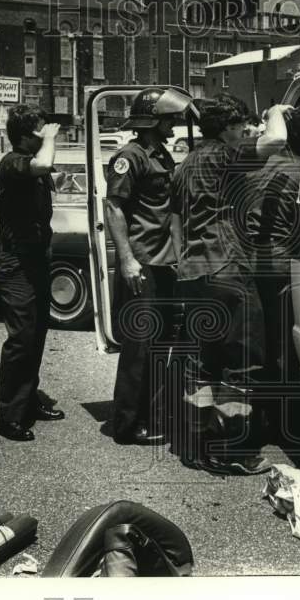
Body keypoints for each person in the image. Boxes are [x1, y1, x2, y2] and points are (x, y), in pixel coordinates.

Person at [169, 94, 292, 474]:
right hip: (229, 270)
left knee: (205, 363)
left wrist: (183, 263)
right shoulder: (224, 155)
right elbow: (276, 141)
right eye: (241, 125)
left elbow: (173, 220)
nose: (245, 131)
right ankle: (233, 451)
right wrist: (275, 114)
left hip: (196, 273)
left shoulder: (186, 162)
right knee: (242, 363)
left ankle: (196, 444)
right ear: (226, 128)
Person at [105, 87, 197, 445]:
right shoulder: (130, 157)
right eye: (169, 118)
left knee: (158, 345)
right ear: (151, 120)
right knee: (138, 348)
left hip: (163, 261)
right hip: (142, 262)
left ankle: (149, 414)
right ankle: (127, 426)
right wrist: (126, 258)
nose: (174, 124)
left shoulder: (160, 154)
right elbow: (114, 208)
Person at [0, 105, 64, 441]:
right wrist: (48, 139)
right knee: (21, 340)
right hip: (16, 265)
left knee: (36, 336)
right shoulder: (12, 161)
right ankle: (8, 415)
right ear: (24, 136)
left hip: (35, 262)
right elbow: (44, 163)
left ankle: (28, 400)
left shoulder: (30, 166)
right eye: (39, 130)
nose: (47, 132)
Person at [244, 106, 300, 435]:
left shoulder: (260, 165)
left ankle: (262, 415)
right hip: (284, 266)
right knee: (285, 347)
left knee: (263, 343)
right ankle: (283, 421)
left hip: (255, 263)